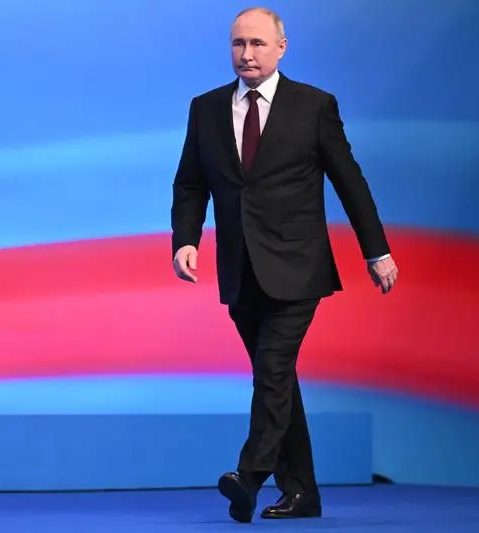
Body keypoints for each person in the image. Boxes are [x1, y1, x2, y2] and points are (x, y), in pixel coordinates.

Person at [170, 6, 398, 523]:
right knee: (278, 380)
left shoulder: (313, 105)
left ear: (281, 47)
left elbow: (349, 181)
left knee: (272, 370)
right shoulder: (206, 108)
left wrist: (376, 250)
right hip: (239, 268)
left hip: (298, 266)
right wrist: (186, 240)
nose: (246, 54)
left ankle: (249, 475)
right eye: (238, 44)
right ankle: (302, 493)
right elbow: (190, 182)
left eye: (256, 43)